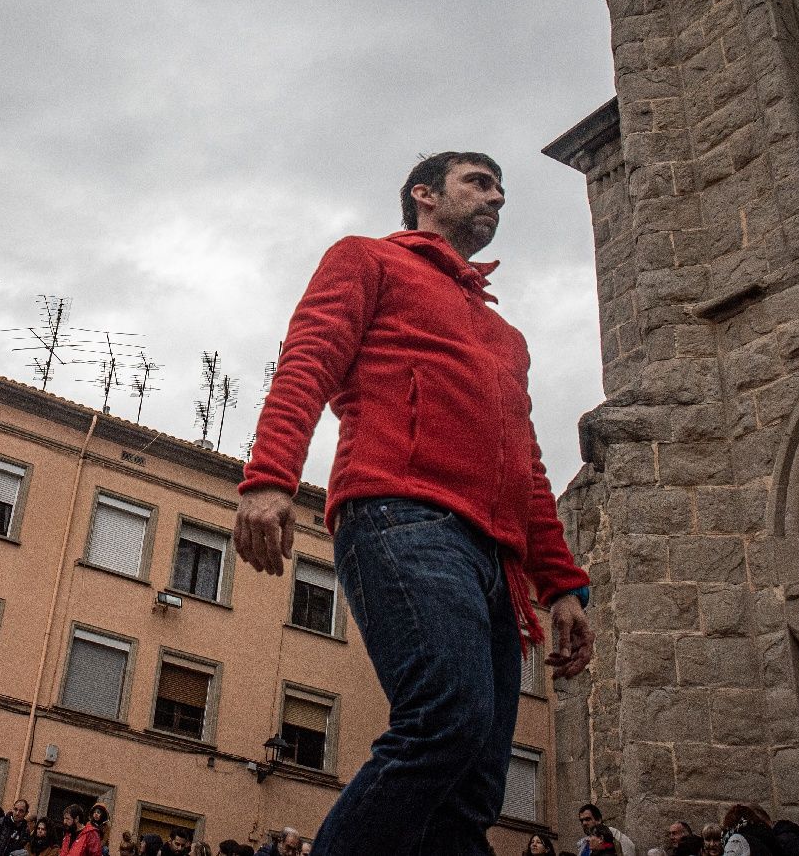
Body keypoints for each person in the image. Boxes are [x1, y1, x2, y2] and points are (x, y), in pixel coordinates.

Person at [235, 150, 593, 856]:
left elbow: (527, 462)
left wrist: (561, 584)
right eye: (478, 183)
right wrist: (272, 475)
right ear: (425, 195)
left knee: (474, 788)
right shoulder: (367, 259)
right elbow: (308, 360)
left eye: (501, 189)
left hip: (496, 560)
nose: (496, 198)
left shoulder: (508, 340)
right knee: (445, 719)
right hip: (401, 517)